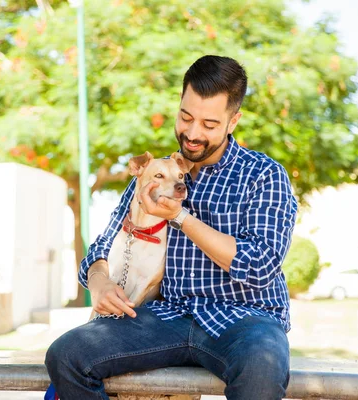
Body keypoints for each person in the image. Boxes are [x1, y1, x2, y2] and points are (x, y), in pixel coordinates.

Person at [45, 54, 298, 400]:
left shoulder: (265, 175)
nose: (192, 134)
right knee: (66, 356)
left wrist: (178, 217)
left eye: (209, 125)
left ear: (233, 120)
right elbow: (103, 246)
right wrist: (101, 283)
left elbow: (259, 265)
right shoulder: (159, 171)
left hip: (246, 319)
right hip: (167, 316)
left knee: (261, 371)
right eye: (186, 117)